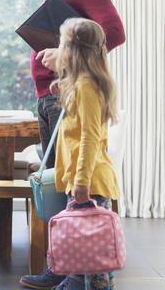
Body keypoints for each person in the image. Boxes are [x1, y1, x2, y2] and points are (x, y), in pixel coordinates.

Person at [20, 0, 125, 289]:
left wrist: (65, 59)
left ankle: (85, 273)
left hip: (69, 94)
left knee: (76, 186)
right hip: (54, 95)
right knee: (59, 187)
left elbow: (112, 32)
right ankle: (64, 264)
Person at [51, 17, 120, 289]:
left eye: (61, 42)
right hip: (84, 181)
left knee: (96, 257)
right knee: (85, 248)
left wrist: (81, 180)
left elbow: (90, 137)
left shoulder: (87, 87)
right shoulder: (82, 85)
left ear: (71, 50)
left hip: (90, 182)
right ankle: (74, 283)